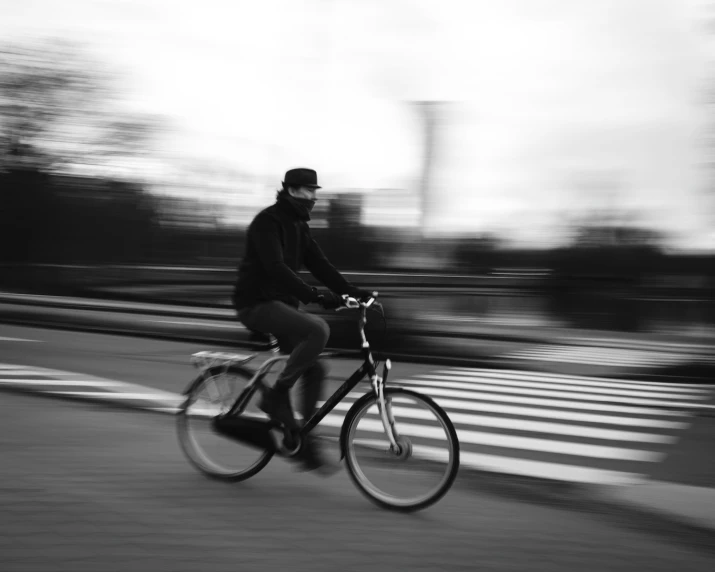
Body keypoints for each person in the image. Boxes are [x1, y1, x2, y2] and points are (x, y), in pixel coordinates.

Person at [233, 167, 372, 474]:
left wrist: (351, 291)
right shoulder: (267, 222)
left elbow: (320, 265)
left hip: (281, 304)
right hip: (256, 303)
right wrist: (314, 295)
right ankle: (277, 397)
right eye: (305, 191)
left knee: (316, 367)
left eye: (314, 192)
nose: (311, 197)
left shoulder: (299, 226)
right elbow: (275, 267)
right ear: (290, 191)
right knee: (317, 329)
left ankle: (301, 438)